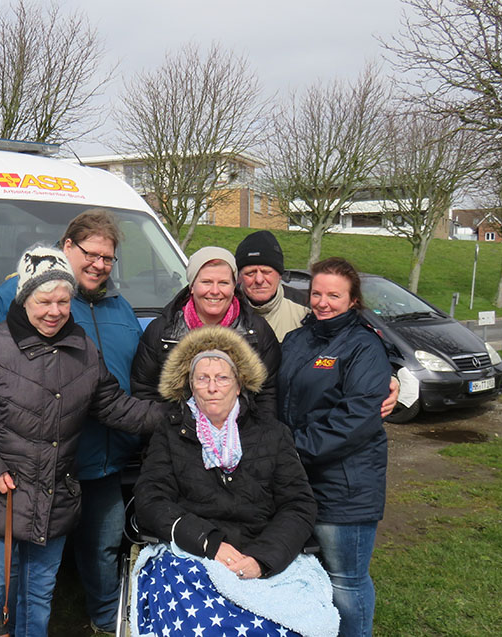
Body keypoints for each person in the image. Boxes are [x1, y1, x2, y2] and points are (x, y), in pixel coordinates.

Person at [0, 246, 175, 637]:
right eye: (44, 301)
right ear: (24, 299)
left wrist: (177, 415)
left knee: (38, 595)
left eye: (63, 301)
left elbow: (114, 406)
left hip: (55, 498)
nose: (54, 311)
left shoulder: (83, 349)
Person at [0, 209, 141, 634]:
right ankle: (3, 625)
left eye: (108, 258)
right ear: (67, 246)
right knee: (14, 570)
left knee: (101, 546)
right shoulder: (12, 298)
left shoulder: (121, 309)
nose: (99, 264)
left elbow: (125, 390)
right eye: (91, 254)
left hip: (103, 461)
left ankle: (106, 619)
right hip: (35, 466)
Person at [131, 325, 339, 637]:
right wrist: (207, 542)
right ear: (190, 386)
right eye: (202, 378)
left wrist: (262, 559)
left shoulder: (272, 434)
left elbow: (298, 505)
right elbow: (151, 499)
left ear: (239, 385)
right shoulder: (170, 434)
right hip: (194, 553)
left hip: (261, 550)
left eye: (222, 378)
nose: (212, 387)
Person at [277, 257, 391, 637]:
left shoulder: (364, 346)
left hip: (345, 486)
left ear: (353, 300)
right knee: (312, 574)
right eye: (316, 294)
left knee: (347, 581)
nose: (322, 303)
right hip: (300, 480)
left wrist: (292, 449)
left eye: (334, 296)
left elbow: (355, 418)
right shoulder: (298, 339)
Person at [234, 229, 400, 417]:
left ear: (279, 273)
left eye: (266, 271)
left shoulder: (307, 308)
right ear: (239, 276)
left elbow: (357, 340)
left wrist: (390, 376)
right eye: (250, 273)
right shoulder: (225, 310)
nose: (259, 279)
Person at [131, 246, 280, 414]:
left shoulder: (257, 331)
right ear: (192, 286)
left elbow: (268, 392)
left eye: (223, 283)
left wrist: (253, 427)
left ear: (234, 287)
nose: (215, 291)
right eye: (206, 282)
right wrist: (172, 424)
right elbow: (144, 391)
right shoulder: (162, 331)